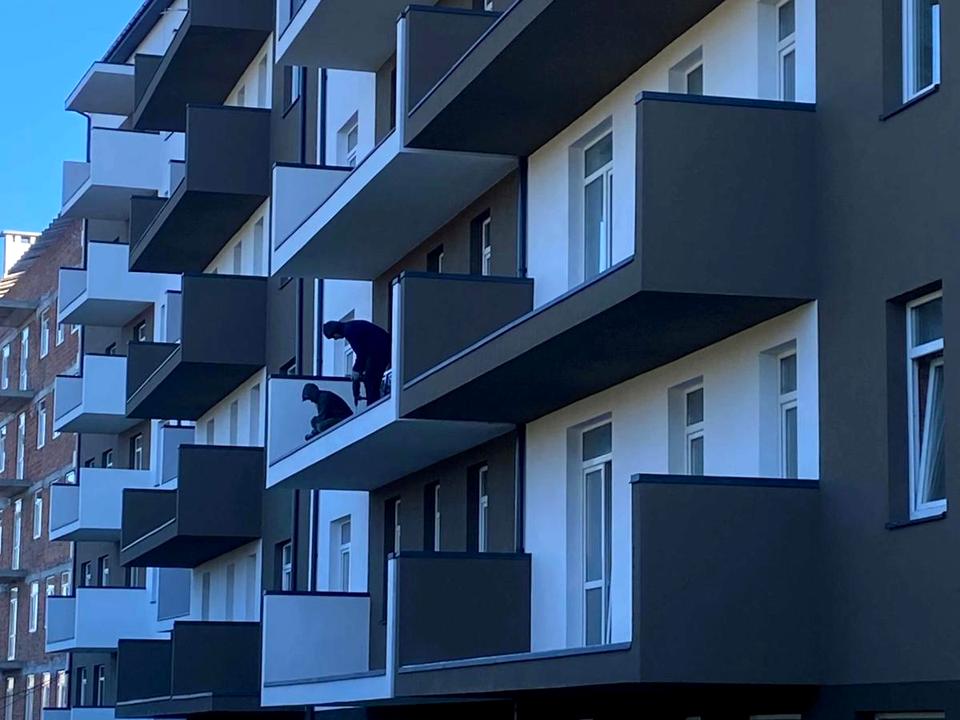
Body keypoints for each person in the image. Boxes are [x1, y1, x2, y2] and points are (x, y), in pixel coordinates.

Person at [322, 319, 391, 407]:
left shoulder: (349, 331)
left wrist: (356, 370)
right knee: (371, 377)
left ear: (335, 332)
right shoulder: (351, 327)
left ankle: (373, 405)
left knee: (370, 379)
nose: (335, 339)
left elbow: (361, 354)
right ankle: (374, 401)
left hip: (380, 349)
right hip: (382, 347)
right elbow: (363, 352)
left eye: (333, 336)